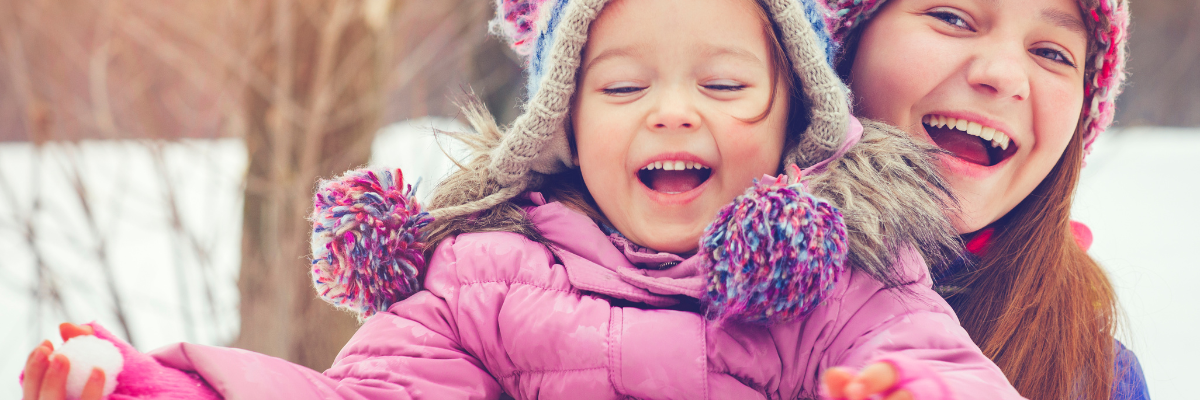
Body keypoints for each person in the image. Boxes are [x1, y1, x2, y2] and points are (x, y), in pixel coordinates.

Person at [22, 0, 1026, 399]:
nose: (673, 112)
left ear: (791, 120)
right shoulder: (483, 281)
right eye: (624, 88)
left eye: (724, 85)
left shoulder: (839, 289)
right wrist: (153, 391)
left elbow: (944, 369)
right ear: (564, 129)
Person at [821, 0, 1149, 398]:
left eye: (1051, 53)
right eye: (951, 18)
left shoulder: (1098, 378)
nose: (1003, 76)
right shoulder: (751, 289)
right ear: (843, 44)